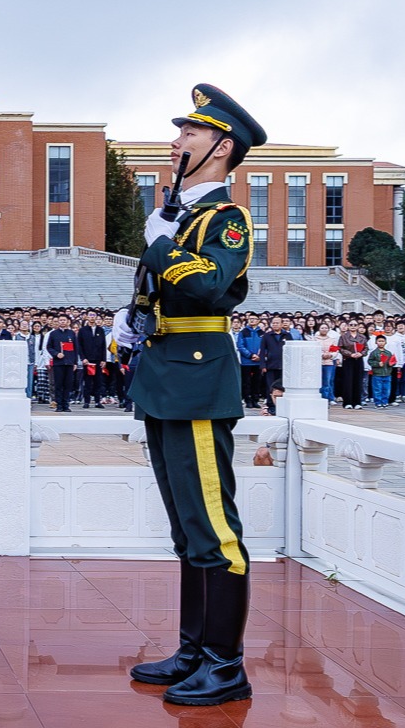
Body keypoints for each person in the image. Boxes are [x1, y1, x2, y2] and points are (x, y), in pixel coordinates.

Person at [118, 83, 266, 706]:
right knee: (186, 526)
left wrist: (158, 244)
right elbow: (168, 291)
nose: (176, 141)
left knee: (214, 526)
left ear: (221, 146)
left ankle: (226, 664)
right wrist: (133, 313)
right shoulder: (182, 215)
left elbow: (208, 287)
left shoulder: (225, 219)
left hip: (199, 381)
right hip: (164, 373)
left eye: (190, 133)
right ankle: (194, 650)